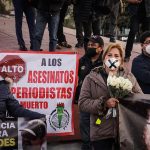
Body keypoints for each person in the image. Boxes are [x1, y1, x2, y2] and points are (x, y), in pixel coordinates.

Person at [78, 43, 142, 150]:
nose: (113, 58)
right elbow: (82, 103)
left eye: (117, 56)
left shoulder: (129, 77)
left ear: (121, 60)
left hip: (124, 132)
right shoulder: (91, 78)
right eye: (109, 55)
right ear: (104, 58)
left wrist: (127, 97)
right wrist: (104, 103)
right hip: (100, 132)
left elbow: (139, 99)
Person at [75, 35, 104, 150]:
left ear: (100, 48)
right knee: (84, 125)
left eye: (93, 45)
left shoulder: (105, 63)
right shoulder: (81, 61)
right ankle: (86, 146)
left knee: (98, 124)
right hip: (85, 102)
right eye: (88, 45)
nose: (90, 47)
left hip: (100, 104)